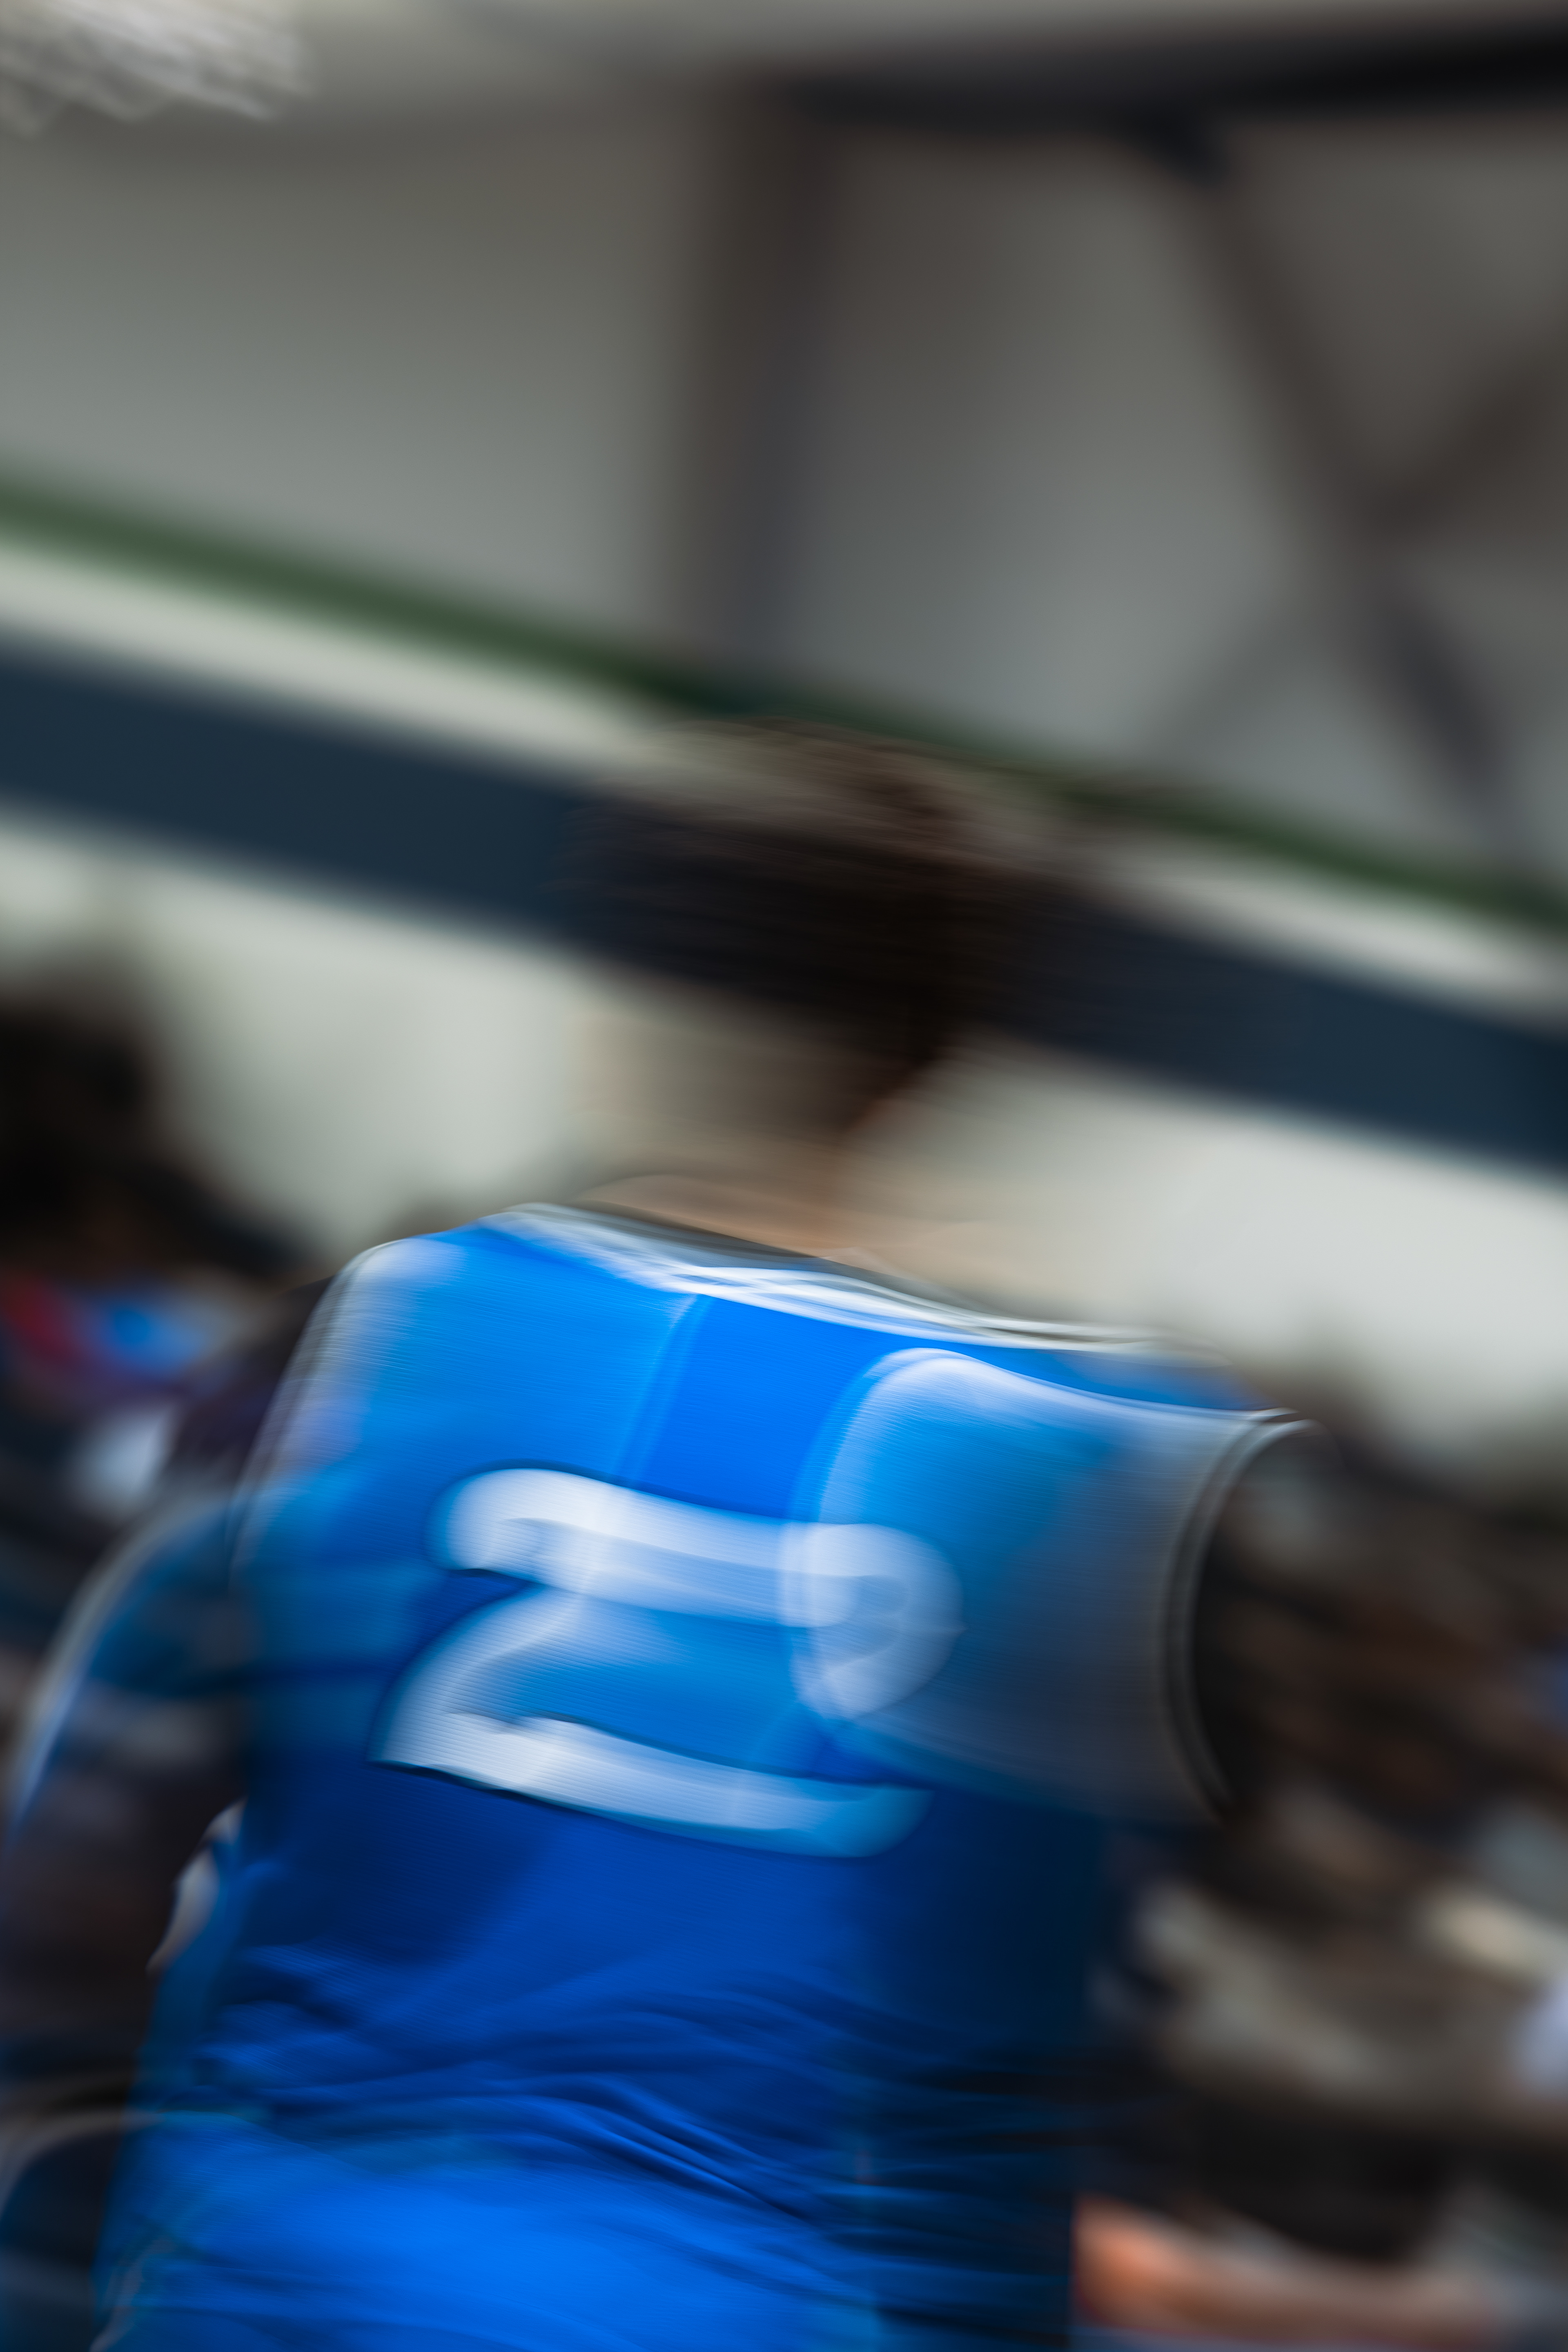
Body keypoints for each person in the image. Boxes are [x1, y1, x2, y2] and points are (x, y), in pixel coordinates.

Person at [0, 723, 1312, 2352]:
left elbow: (66, 1901)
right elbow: (1056, 2081)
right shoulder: (1108, 1476)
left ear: (635, 1015)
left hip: (296, 2298)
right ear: (953, 1062)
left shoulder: (383, 1335)